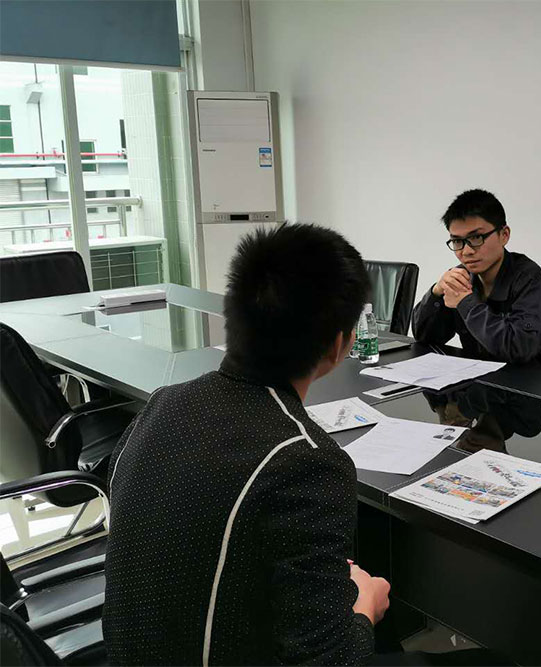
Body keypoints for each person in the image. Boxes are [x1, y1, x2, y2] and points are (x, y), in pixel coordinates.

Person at [103, 224, 389, 665]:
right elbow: (328, 660)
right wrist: (365, 606)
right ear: (340, 344)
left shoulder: (163, 403)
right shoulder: (305, 460)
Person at [411, 189, 541, 371]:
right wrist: (436, 292)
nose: (466, 251)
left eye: (476, 237)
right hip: (487, 379)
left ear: (504, 235)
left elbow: (519, 349)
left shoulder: (528, 277)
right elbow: (424, 338)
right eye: (457, 241)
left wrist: (466, 303)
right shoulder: (462, 277)